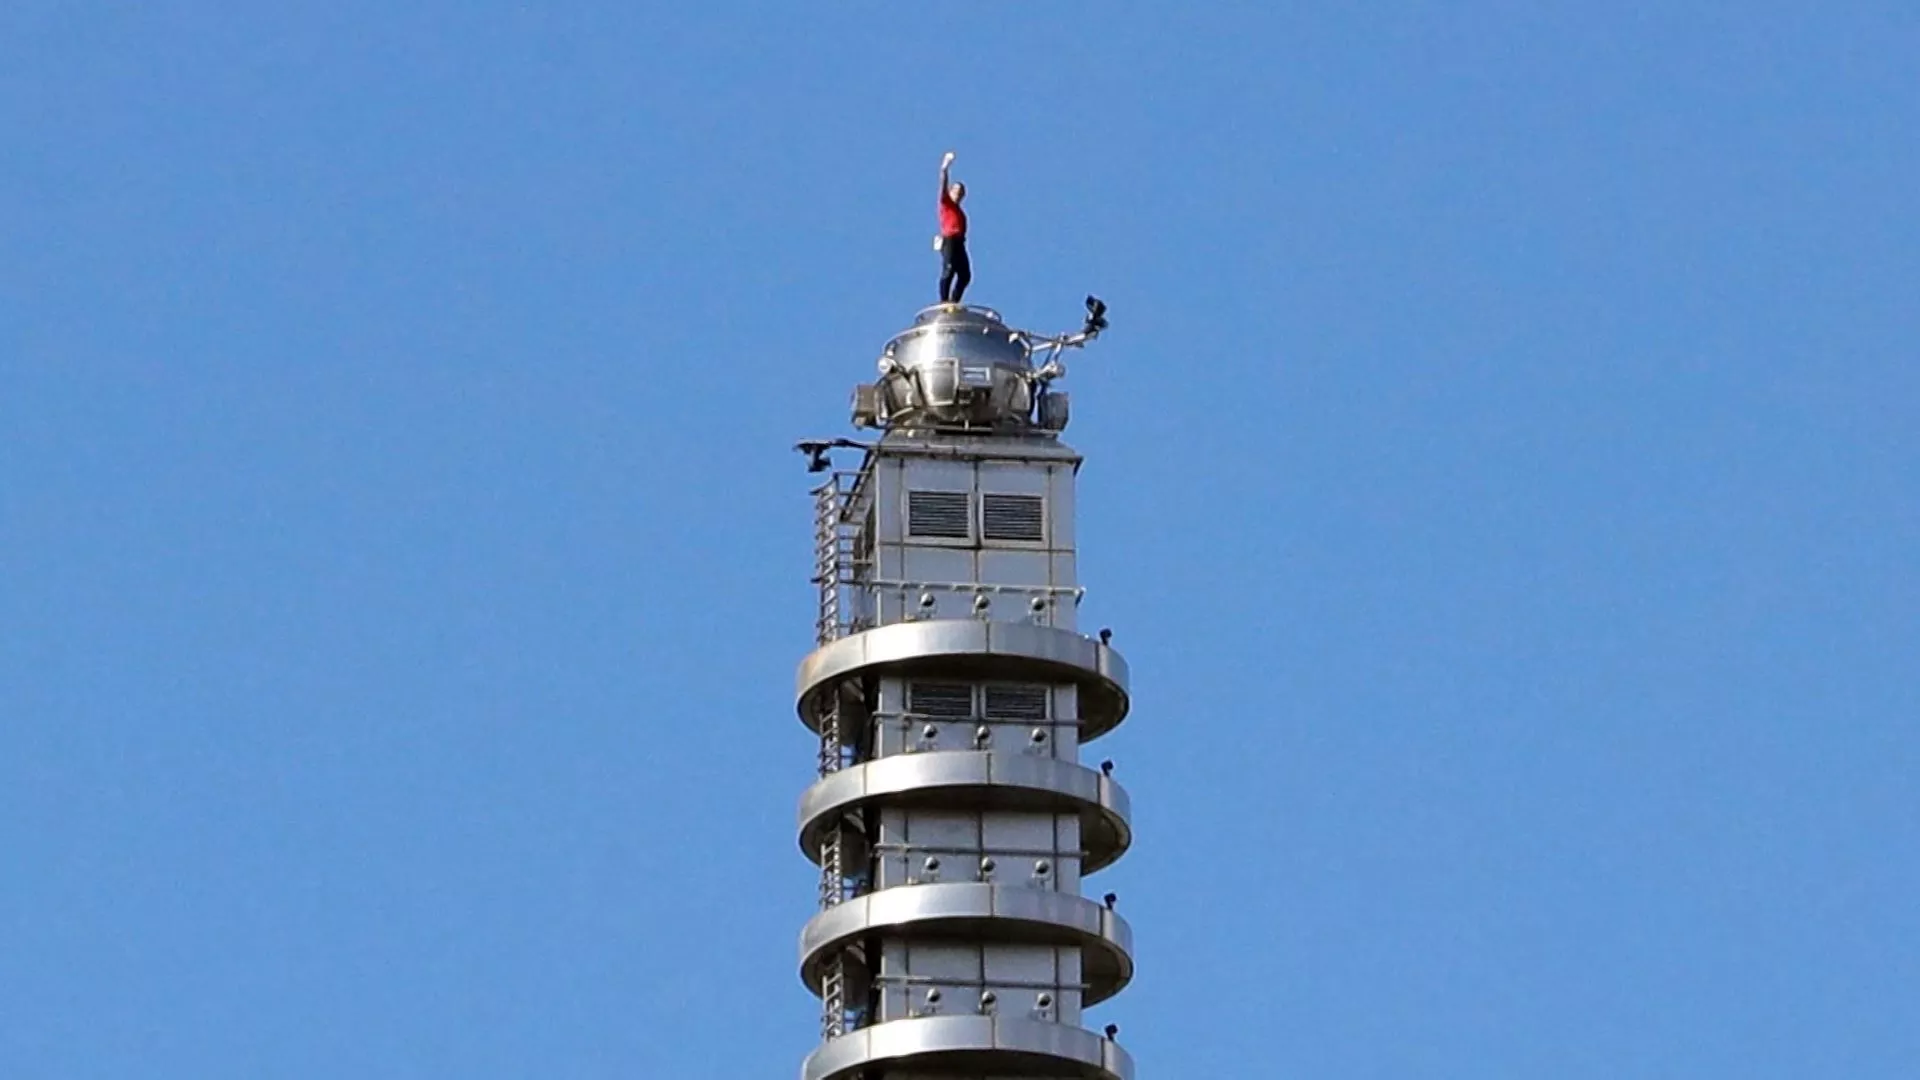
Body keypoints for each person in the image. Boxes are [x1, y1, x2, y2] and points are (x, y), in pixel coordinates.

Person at [936, 151, 971, 304]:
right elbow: (943, 184)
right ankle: (944, 302)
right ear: (951, 192)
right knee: (949, 270)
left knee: (965, 275)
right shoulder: (946, 204)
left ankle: (953, 302)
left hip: (959, 242)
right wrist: (945, 168)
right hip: (949, 239)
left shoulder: (960, 213)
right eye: (956, 191)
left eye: (961, 193)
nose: (959, 194)